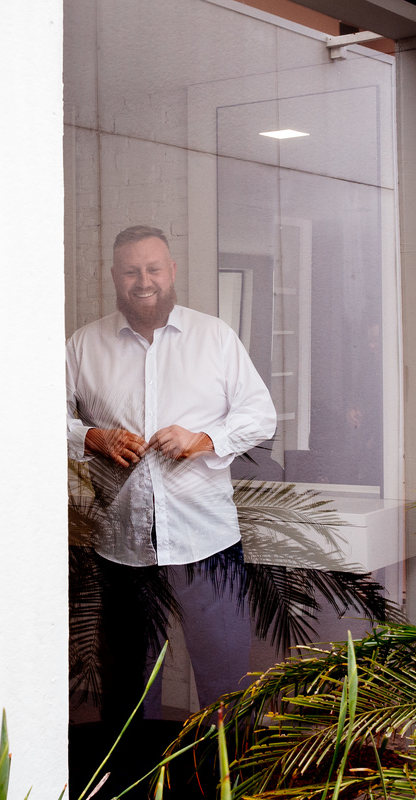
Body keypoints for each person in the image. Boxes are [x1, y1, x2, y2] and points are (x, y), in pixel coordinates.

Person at [67, 224, 276, 721]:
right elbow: (35, 420)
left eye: (154, 269)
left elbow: (259, 415)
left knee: (226, 687)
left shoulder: (214, 337)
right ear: (114, 277)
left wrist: (203, 440)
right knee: (128, 694)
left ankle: (226, 787)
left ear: (172, 272)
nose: (144, 281)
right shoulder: (82, 345)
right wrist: (93, 438)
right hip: (122, 550)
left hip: (208, 544)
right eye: (131, 271)